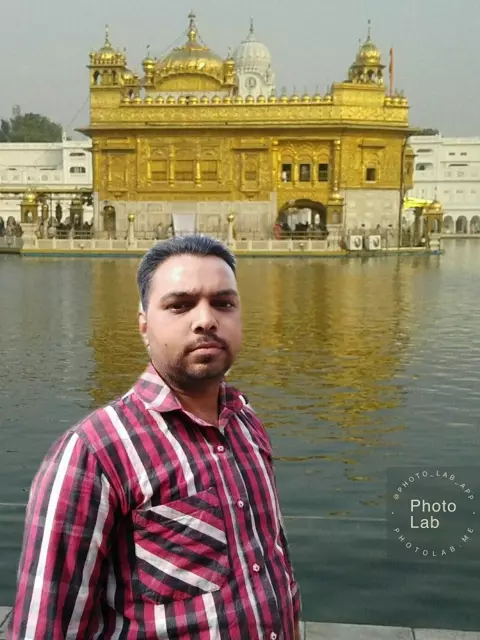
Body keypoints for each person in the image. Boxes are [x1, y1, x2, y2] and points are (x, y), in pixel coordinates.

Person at [9, 235, 302, 639]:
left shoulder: (246, 425)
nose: (206, 320)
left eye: (224, 303)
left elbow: (273, 563)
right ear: (144, 325)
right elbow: (46, 627)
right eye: (180, 305)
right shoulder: (94, 454)